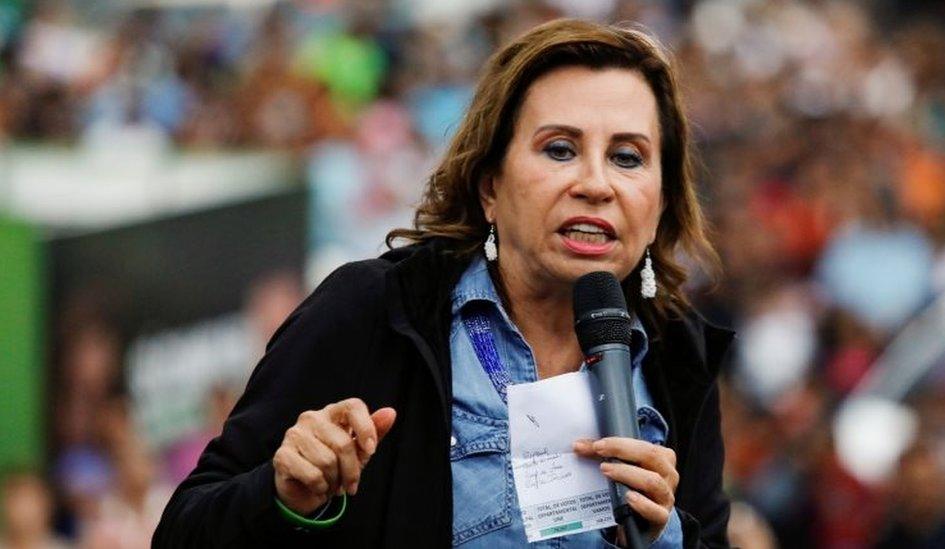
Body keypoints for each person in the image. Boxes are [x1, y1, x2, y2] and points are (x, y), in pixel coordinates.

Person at [153, 18, 734, 548]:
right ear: (490, 187)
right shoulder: (372, 311)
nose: (595, 183)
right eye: (560, 149)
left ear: (660, 202)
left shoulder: (677, 354)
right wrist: (281, 495)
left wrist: (666, 536)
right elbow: (184, 532)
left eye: (628, 158)